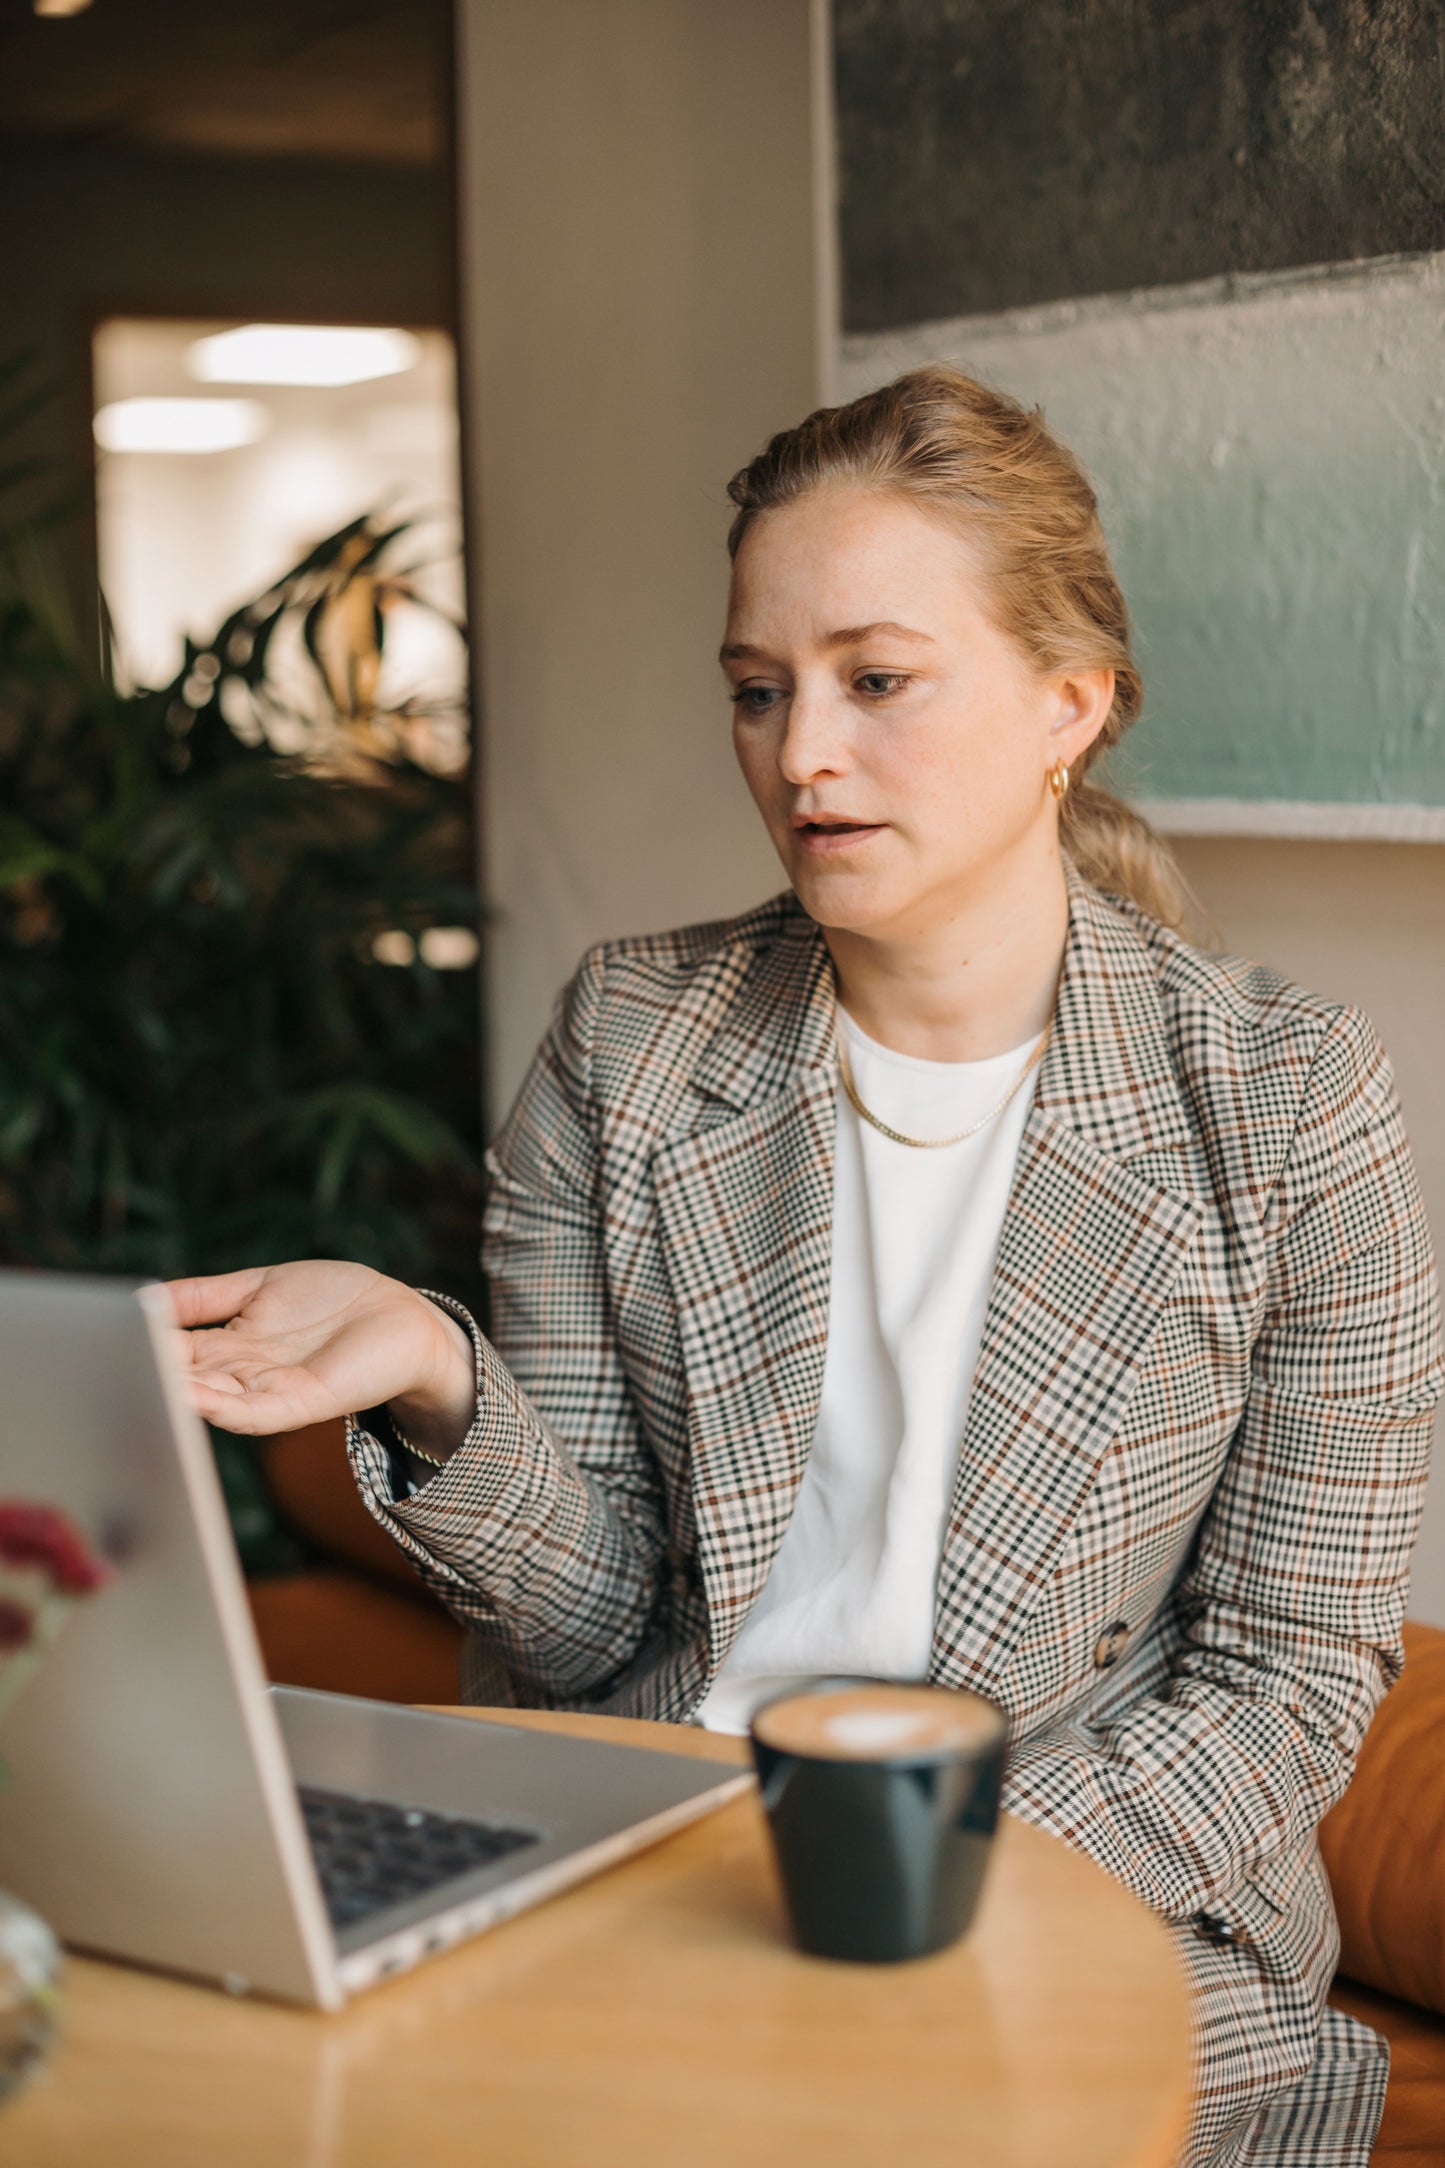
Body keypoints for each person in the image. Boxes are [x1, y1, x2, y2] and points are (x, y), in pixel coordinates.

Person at [170, 367, 1442, 2166]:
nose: (799, 754)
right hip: (647, 1858)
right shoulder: (634, 1039)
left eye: (876, 680)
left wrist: (907, 1870)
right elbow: (599, 1617)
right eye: (757, 692)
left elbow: (1289, 1677)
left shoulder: (1287, 1100)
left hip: (1076, 1893)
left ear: (1068, 703)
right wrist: (437, 1377)